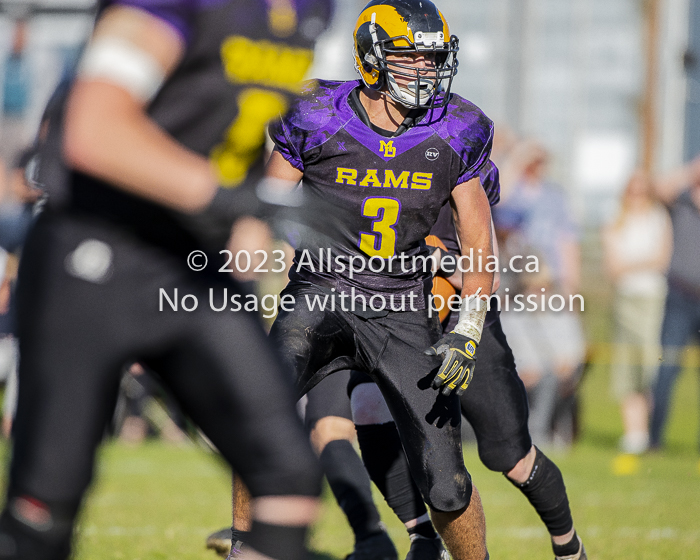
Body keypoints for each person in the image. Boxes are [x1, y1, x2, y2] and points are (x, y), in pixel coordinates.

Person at [0, 1, 333, 559]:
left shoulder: (311, 8)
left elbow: (231, 127)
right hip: (95, 257)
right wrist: (236, 200)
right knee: (43, 515)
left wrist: (252, 223)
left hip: (190, 265)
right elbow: (95, 130)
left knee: (289, 480)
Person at [262, 1, 498, 558]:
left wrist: (467, 327)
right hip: (319, 288)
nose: (424, 70)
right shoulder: (316, 111)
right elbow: (266, 210)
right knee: (262, 421)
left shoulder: (459, 127)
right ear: (370, 57)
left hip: (400, 302)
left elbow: (479, 238)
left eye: (432, 58)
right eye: (409, 58)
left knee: (447, 482)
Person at [349, 200, 587, 560]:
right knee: (367, 406)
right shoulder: (357, 156)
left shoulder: (461, 162)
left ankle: (569, 546)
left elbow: (485, 273)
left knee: (511, 456)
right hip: (391, 316)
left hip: (465, 322)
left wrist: (435, 261)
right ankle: (423, 538)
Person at [602, 170, 672, 454]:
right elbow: (613, 268)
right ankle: (634, 433)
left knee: (649, 364)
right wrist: (639, 262)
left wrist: (630, 263)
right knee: (626, 363)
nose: (636, 196)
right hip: (624, 300)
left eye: (642, 191)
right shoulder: (614, 217)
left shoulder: (659, 218)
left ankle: (649, 431)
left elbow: (661, 259)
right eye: (632, 190)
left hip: (652, 299)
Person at [649, 156, 700, 451]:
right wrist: (691, 170)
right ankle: (655, 440)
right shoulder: (681, 201)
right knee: (667, 369)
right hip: (680, 298)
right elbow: (658, 186)